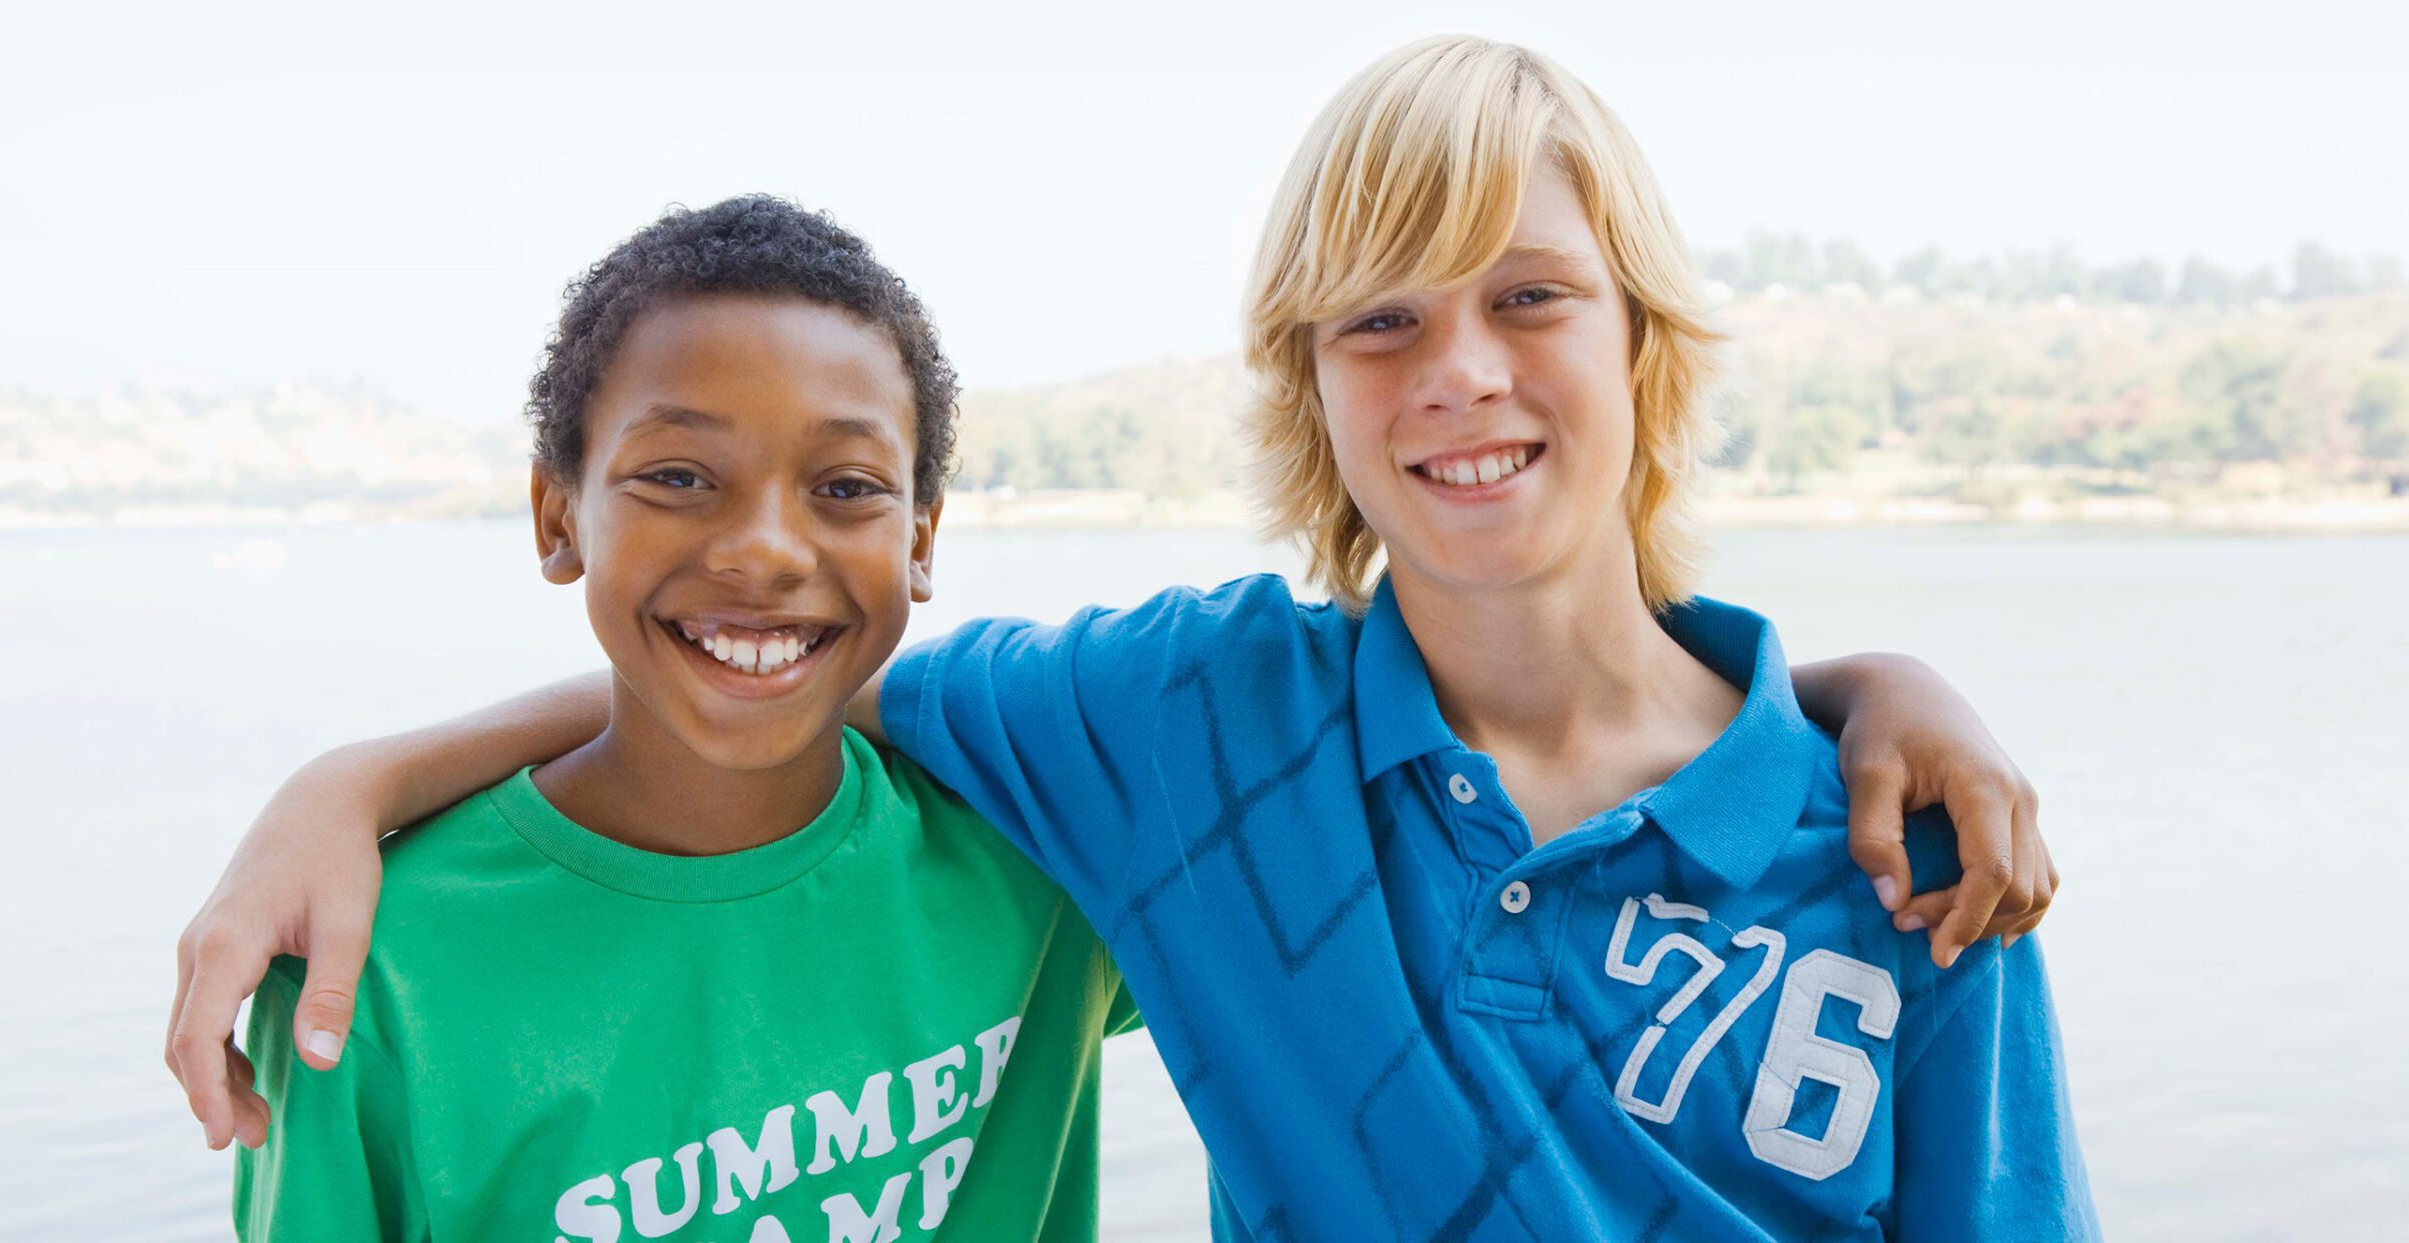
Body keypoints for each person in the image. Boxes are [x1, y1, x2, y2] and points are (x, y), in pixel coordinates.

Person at [172, 36, 2072, 1240]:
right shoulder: (1188, 726)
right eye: (1379, 322)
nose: (1462, 372)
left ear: (1643, 343)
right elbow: (775, 671)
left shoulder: (1913, 851)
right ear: (1309, 389)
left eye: (1533, 296)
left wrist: (1865, 689)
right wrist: (360, 779)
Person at [227, 196, 1135, 1241]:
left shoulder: (1049, 853)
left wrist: (367, 772)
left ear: (920, 539)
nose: (765, 550)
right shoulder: (370, 967)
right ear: (557, 515)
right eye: (677, 477)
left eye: (844, 486)